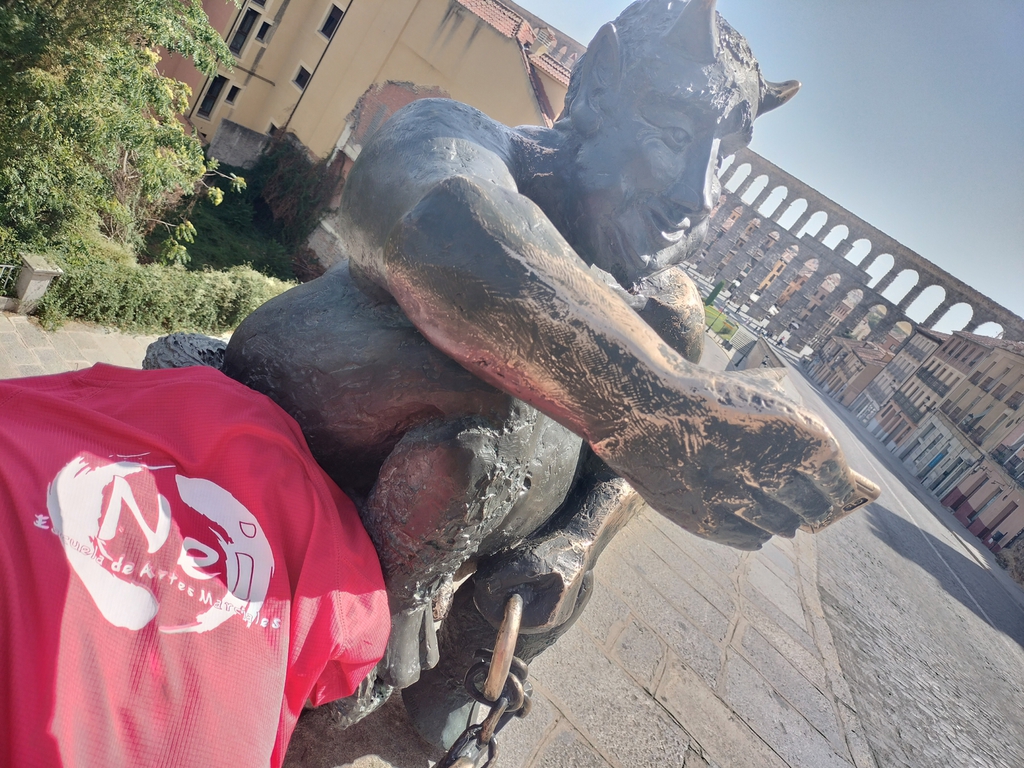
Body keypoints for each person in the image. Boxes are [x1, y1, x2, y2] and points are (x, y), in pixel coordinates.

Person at [222, 0, 879, 744]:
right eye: (673, 137)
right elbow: (448, 223)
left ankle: (465, 656)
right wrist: (664, 403)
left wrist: (579, 539)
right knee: (500, 374)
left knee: (564, 554)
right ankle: (374, 611)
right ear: (598, 85)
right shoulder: (453, 135)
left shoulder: (663, 304)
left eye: (721, 160)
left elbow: (624, 473)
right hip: (309, 412)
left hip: (466, 519)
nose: (699, 195)